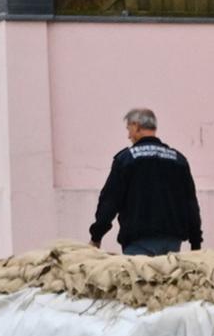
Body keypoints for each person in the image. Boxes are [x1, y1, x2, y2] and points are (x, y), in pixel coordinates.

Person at [87, 108, 203, 256]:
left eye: (129, 129)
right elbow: (190, 203)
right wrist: (196, 243)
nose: (128, 135)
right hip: (172, 243)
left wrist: (96, 236)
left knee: (140, 279)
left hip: (138, 241)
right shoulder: (178, 160)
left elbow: (110, 201)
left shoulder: (126, 160)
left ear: (136, 126)